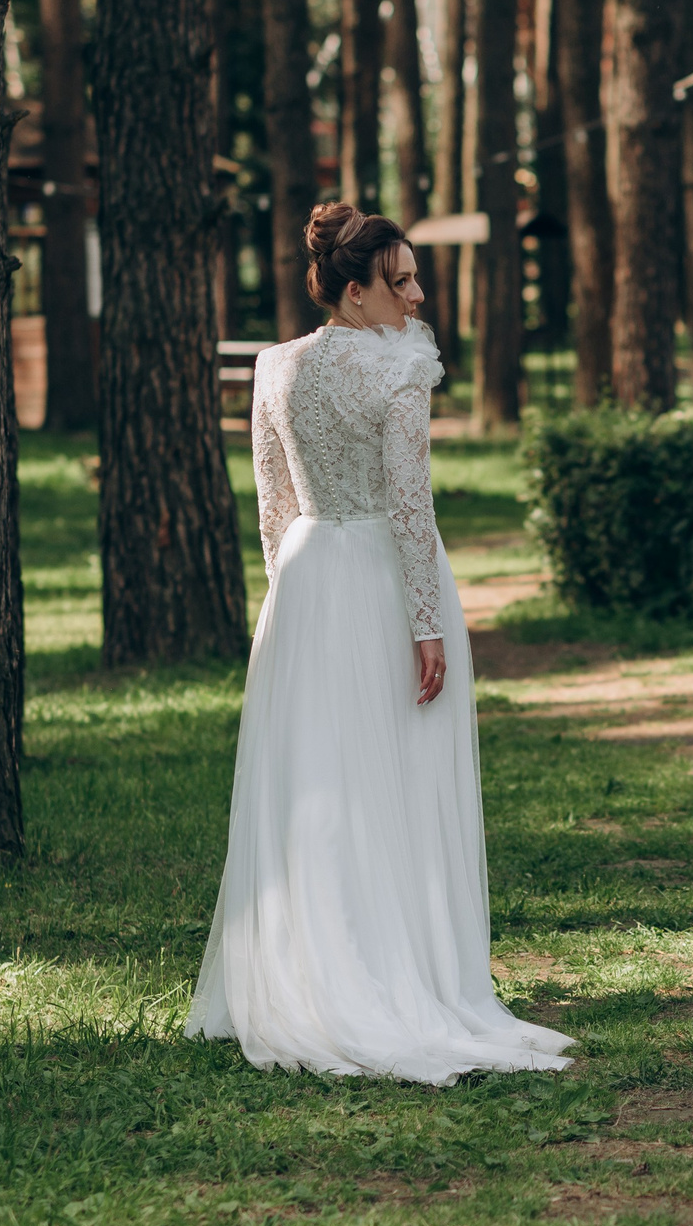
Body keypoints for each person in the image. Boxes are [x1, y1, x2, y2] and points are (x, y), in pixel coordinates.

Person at [187, 204, 573, 1082]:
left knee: (316, 786)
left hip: (307, 577)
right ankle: (403, 973)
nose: (417, 294)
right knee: (396, 781)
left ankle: (313, 967)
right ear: (354, 293)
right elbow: (410, 505)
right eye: (399, 281)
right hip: (380, 583)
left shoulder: (273, 364)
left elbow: (272, 503)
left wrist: (284, 595)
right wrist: (428, 624)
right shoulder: (400, 367)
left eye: (414, 276)